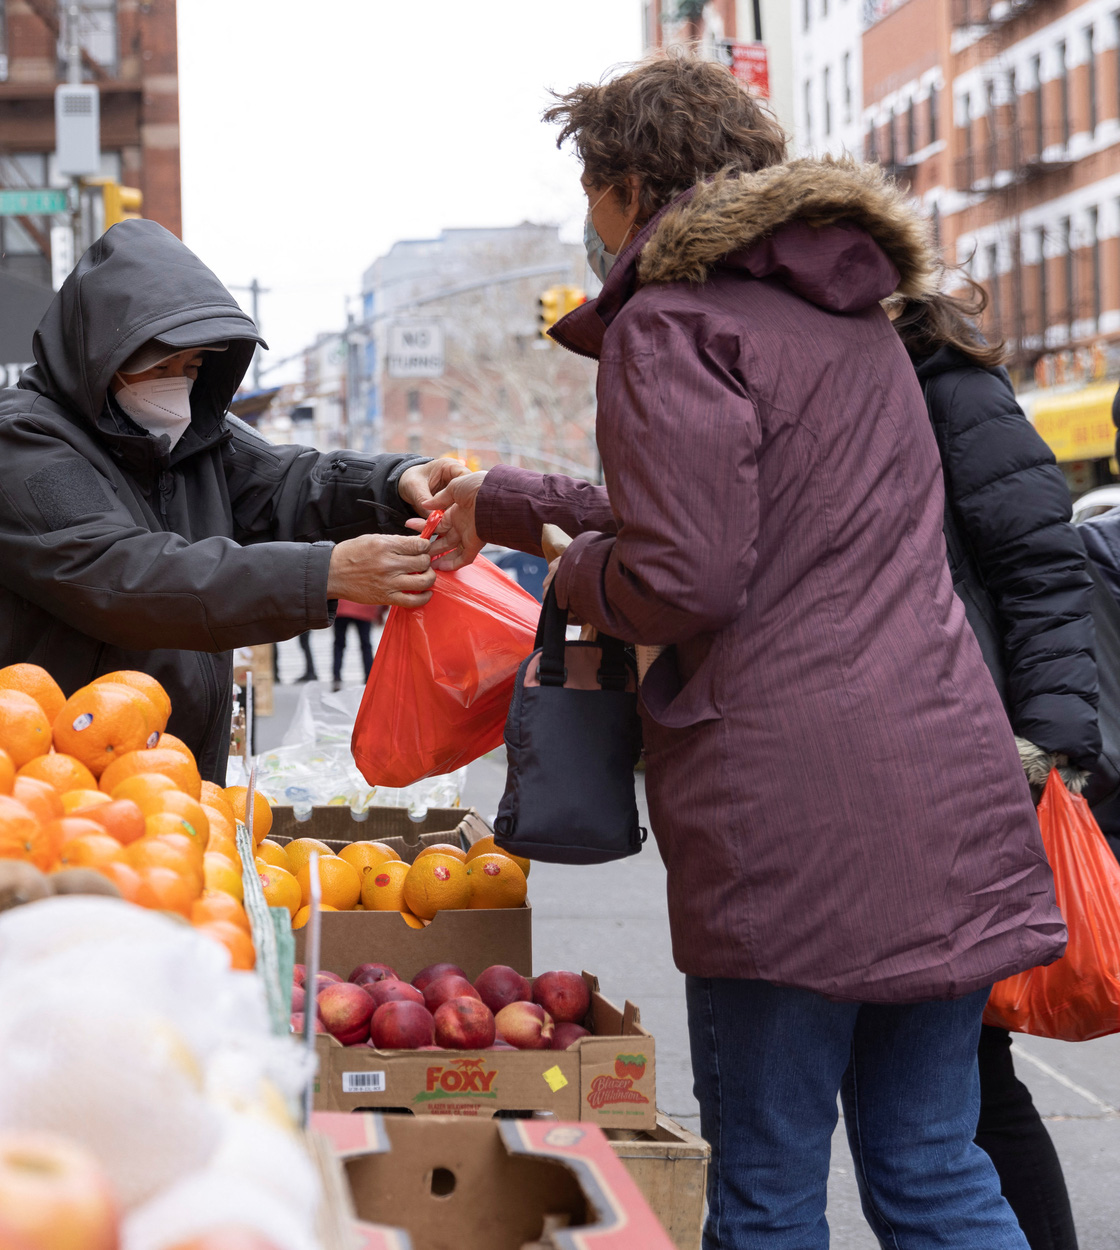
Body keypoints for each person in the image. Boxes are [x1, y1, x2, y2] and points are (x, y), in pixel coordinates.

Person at [423, 54, 1063, 1249]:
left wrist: (565, 569)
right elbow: (736, 520)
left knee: (766, 1186)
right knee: (932, 1163)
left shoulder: (667, 320)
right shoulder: (851, 318)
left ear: (623, 183)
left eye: (589, 189)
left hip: (789, 816)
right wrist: (506, 497)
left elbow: (685, 572)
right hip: (943, 778)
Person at [0, 219, 449, 783]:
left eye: (190, 368)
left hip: (169, 772)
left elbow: (287, 483)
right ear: (100, 356)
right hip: (46, 773)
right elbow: (122, 574)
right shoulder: (22, 441)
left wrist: (397, 479)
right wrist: (324, 572)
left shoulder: (191, 433)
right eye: (159, 367)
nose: (175, 387)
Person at [893, 281, 1093, 1250]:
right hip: (913, 756)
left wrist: (1047, 745)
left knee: (971, 1068)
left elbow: (1037, 561)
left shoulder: (944, 384)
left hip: (977, 757)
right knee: (962, 1070)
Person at [331, 600, 378, 690]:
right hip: (365, 607)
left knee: (339, 645)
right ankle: (369, 677)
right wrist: (381, 610)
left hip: (342, 607)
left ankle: (336, 677)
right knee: (366, 645)